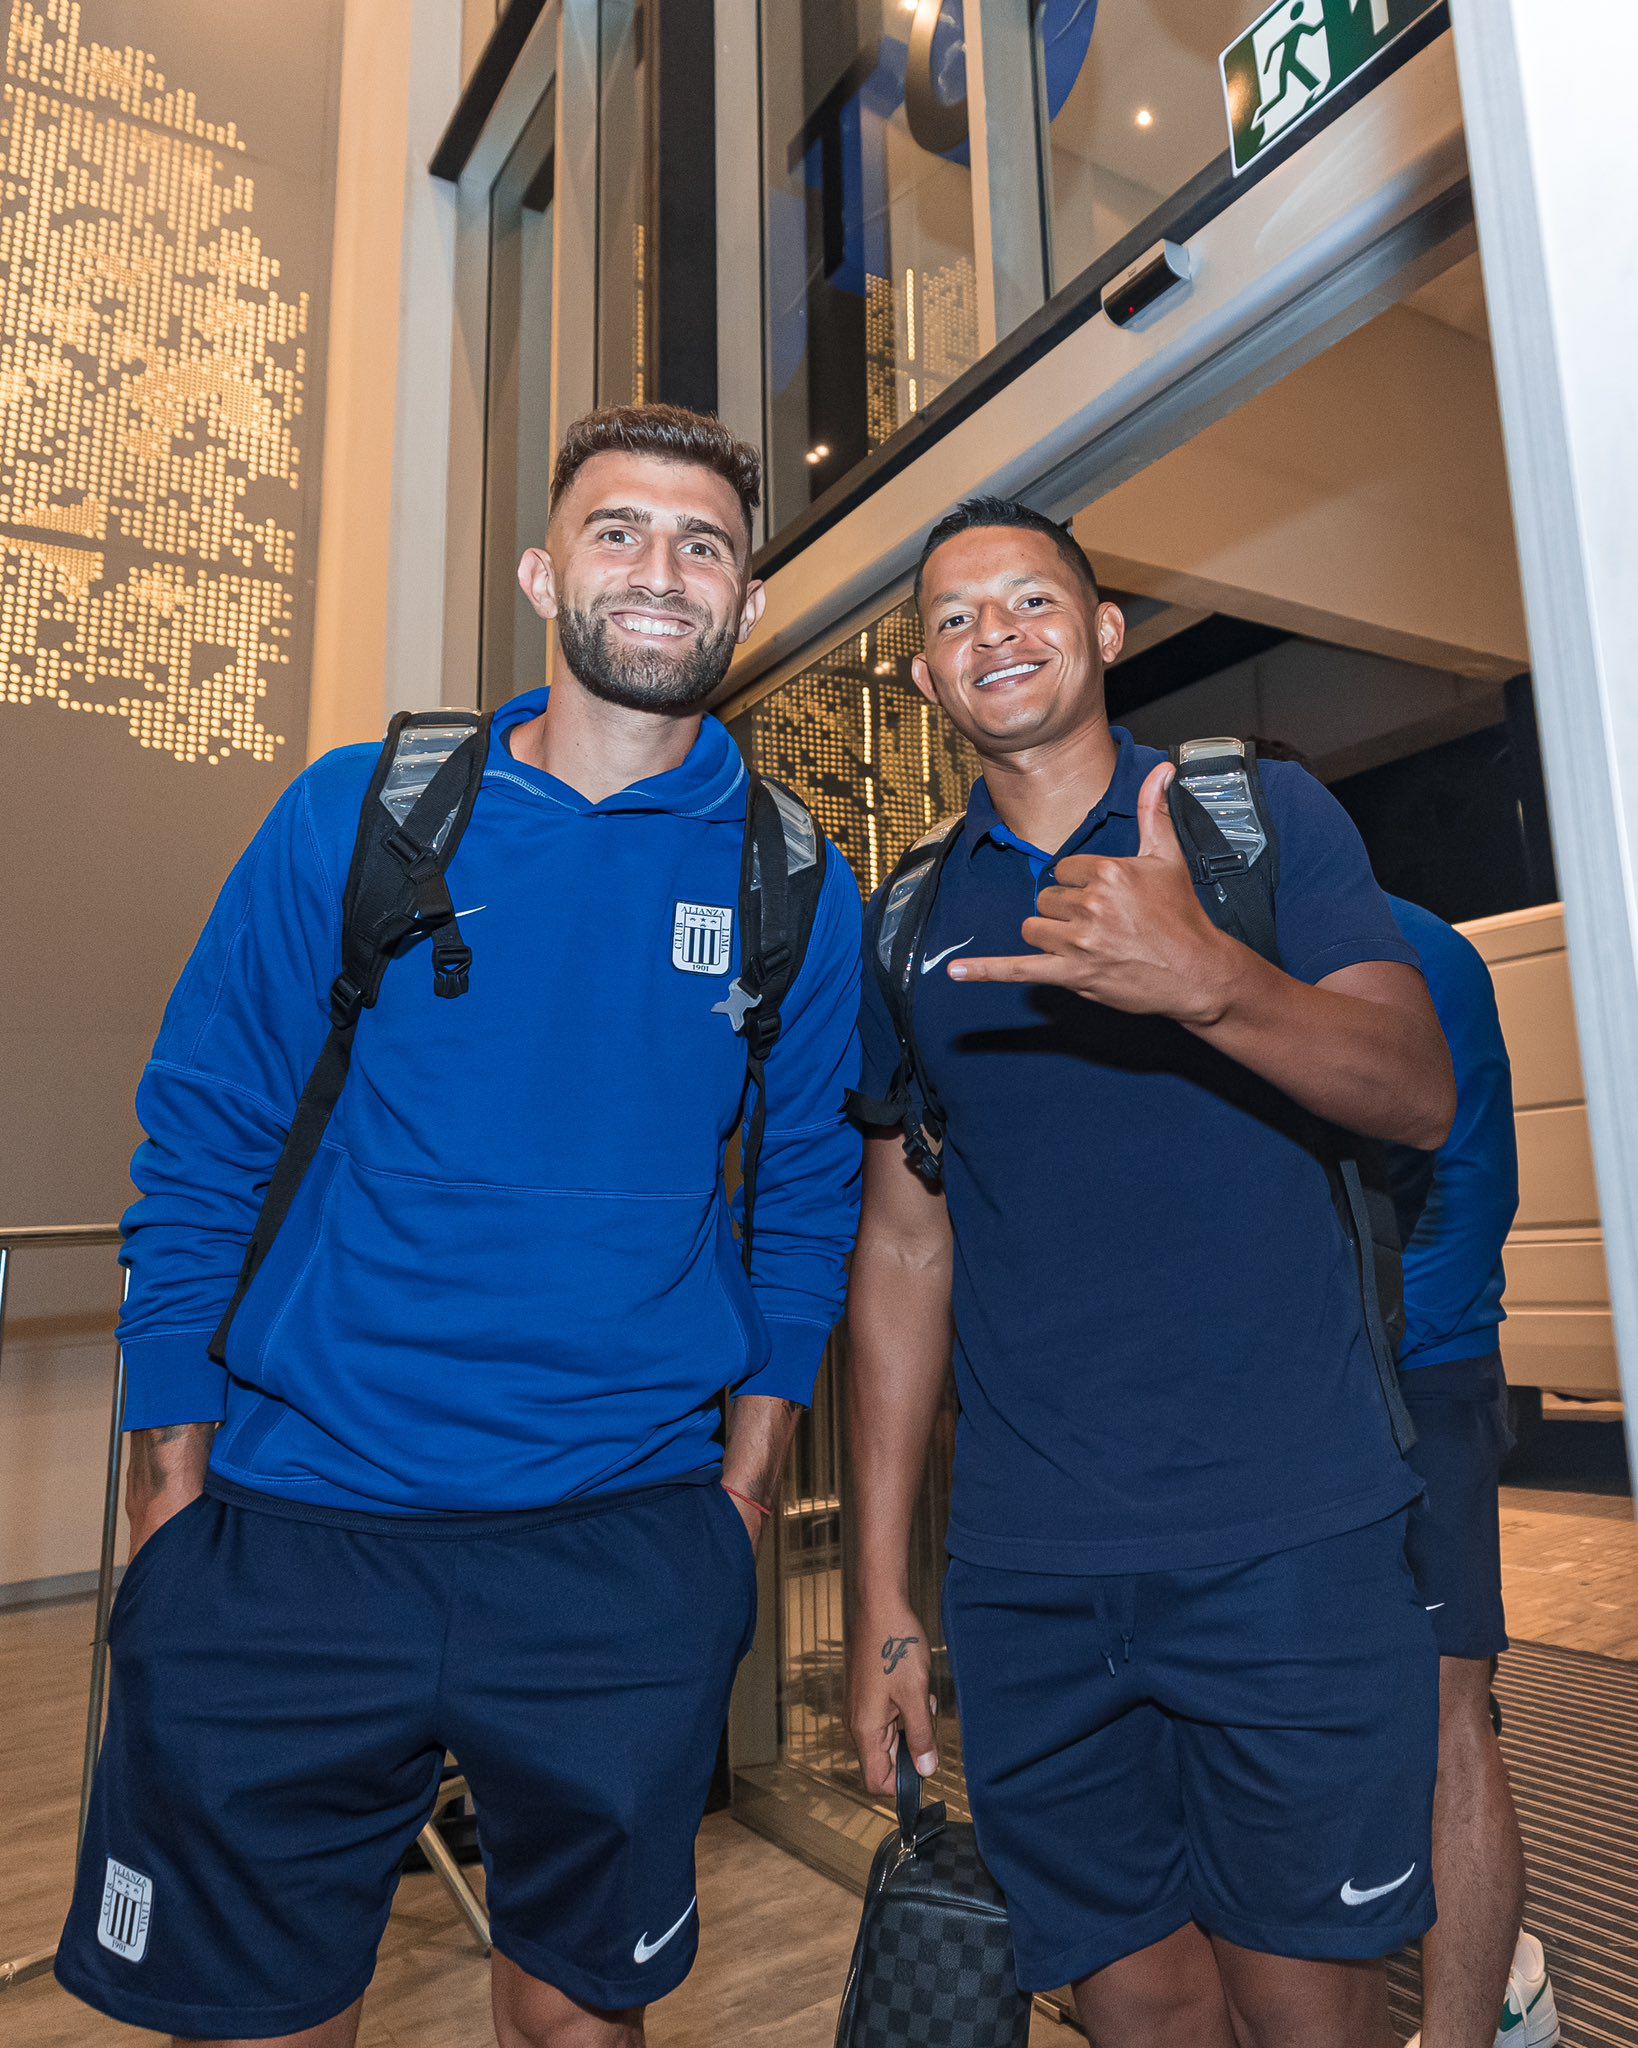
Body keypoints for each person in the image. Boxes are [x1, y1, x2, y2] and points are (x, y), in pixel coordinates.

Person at [55, 403, 863, 2048]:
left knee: (579, 2011)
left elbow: (805, 1201)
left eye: (703, 544)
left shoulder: (795, 876)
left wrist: (747, 1487)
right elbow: (202, 1142)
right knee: (259, 2009)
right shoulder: (361, 815)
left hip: (621, 1538)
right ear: (540, 567)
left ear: (748, 604)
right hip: (297, 1525)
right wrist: (168, 1482)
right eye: (619, 530)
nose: (660, 570)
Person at [845, 496, 1456, 2048]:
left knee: (1304, 2018)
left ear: (1105, 632)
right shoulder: (907, 915)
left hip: (1288, 1546)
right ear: (924, 678)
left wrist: (1211, 982)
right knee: (1138, 2008)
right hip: (1032, 1576)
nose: (998, 635)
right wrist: (880, 1597)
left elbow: (1412, 1089)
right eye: (957, 618)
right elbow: (906, 1244)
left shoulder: (1253, 826)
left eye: (1033, 602)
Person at [1383, 895, 1557, 2048]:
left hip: (1422, 1380)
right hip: (1344, 1387)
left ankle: (1487, 2011)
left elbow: (1465, 1194)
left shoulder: (1412, 954)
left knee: (1450, 1711)